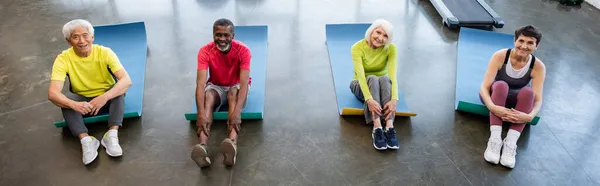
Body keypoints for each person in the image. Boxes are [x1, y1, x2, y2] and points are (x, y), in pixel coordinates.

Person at [48, 19, 132, 165]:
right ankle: (86, 140)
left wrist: (105, 97)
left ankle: (111, 135)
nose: (82, 41)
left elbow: (126, 80)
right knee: (65, 101)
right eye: (75, 37)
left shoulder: (105, 52)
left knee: (118, 92)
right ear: (69, 41)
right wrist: (74, 105)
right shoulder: (62, 59)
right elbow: (53, 94)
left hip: (106, 95)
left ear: (92, 37)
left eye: (85, 35)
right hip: (82, 100)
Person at [480, 25, 546, 168]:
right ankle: (495, 140)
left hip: (514, 101)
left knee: (529, 92)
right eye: (521, 41)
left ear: (537, 46)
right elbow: (484, 88)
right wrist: (492, 107)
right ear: (514, 40)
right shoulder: (500, 56)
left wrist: (530, 116)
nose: (524, 46)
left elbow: (538, 99)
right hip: (494, 96)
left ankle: (510, 142)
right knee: (501, 85)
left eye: (530, 43)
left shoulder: (538, 66)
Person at [191, 18, 251, 168]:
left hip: (236, 86)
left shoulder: (243, 50)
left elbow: (243, 84)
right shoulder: (205, 50)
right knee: (208, 96)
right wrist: (200, 114)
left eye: (226, 35)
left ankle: (231, 144)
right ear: (213, 35)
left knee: (232, 95)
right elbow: (200, 84)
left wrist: (237, 112)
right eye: (218, 35)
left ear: (233, 35)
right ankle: (202, 146)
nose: (222, 39)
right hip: (217, 85)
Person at [350, 19, 400, 151]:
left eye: (385, 36)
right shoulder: (357, 47)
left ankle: (389, 126)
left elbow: (393, 75)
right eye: (378, 32)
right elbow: (361, 76)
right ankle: (377, 127)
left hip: (381, 84)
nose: (380, 38)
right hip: (359, 84)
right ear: (371, 31)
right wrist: (369, 99)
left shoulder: (391, 49)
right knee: (372, 77)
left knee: (384, 78)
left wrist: (395, 99)